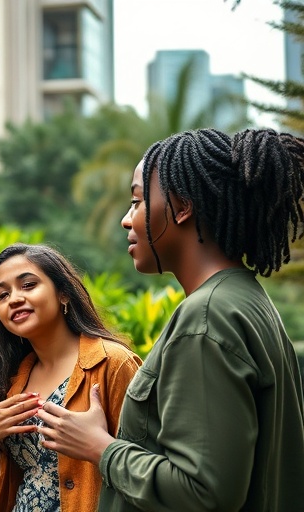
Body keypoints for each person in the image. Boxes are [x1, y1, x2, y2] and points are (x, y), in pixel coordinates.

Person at [37, 128, 304, 511]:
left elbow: (203, 492)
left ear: (181, 207)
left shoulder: (207, 318)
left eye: (137, 201)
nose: (126, 221)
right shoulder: (246, 299)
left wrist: (100, 447)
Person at [0, 243, 141, 512]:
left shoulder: (112, 363)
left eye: (27, 285)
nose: (14, 298)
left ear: (63, 293)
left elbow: (143, 467)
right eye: (2, 295)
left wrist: (98, 445)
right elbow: (26, 474)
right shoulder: (18, 379)